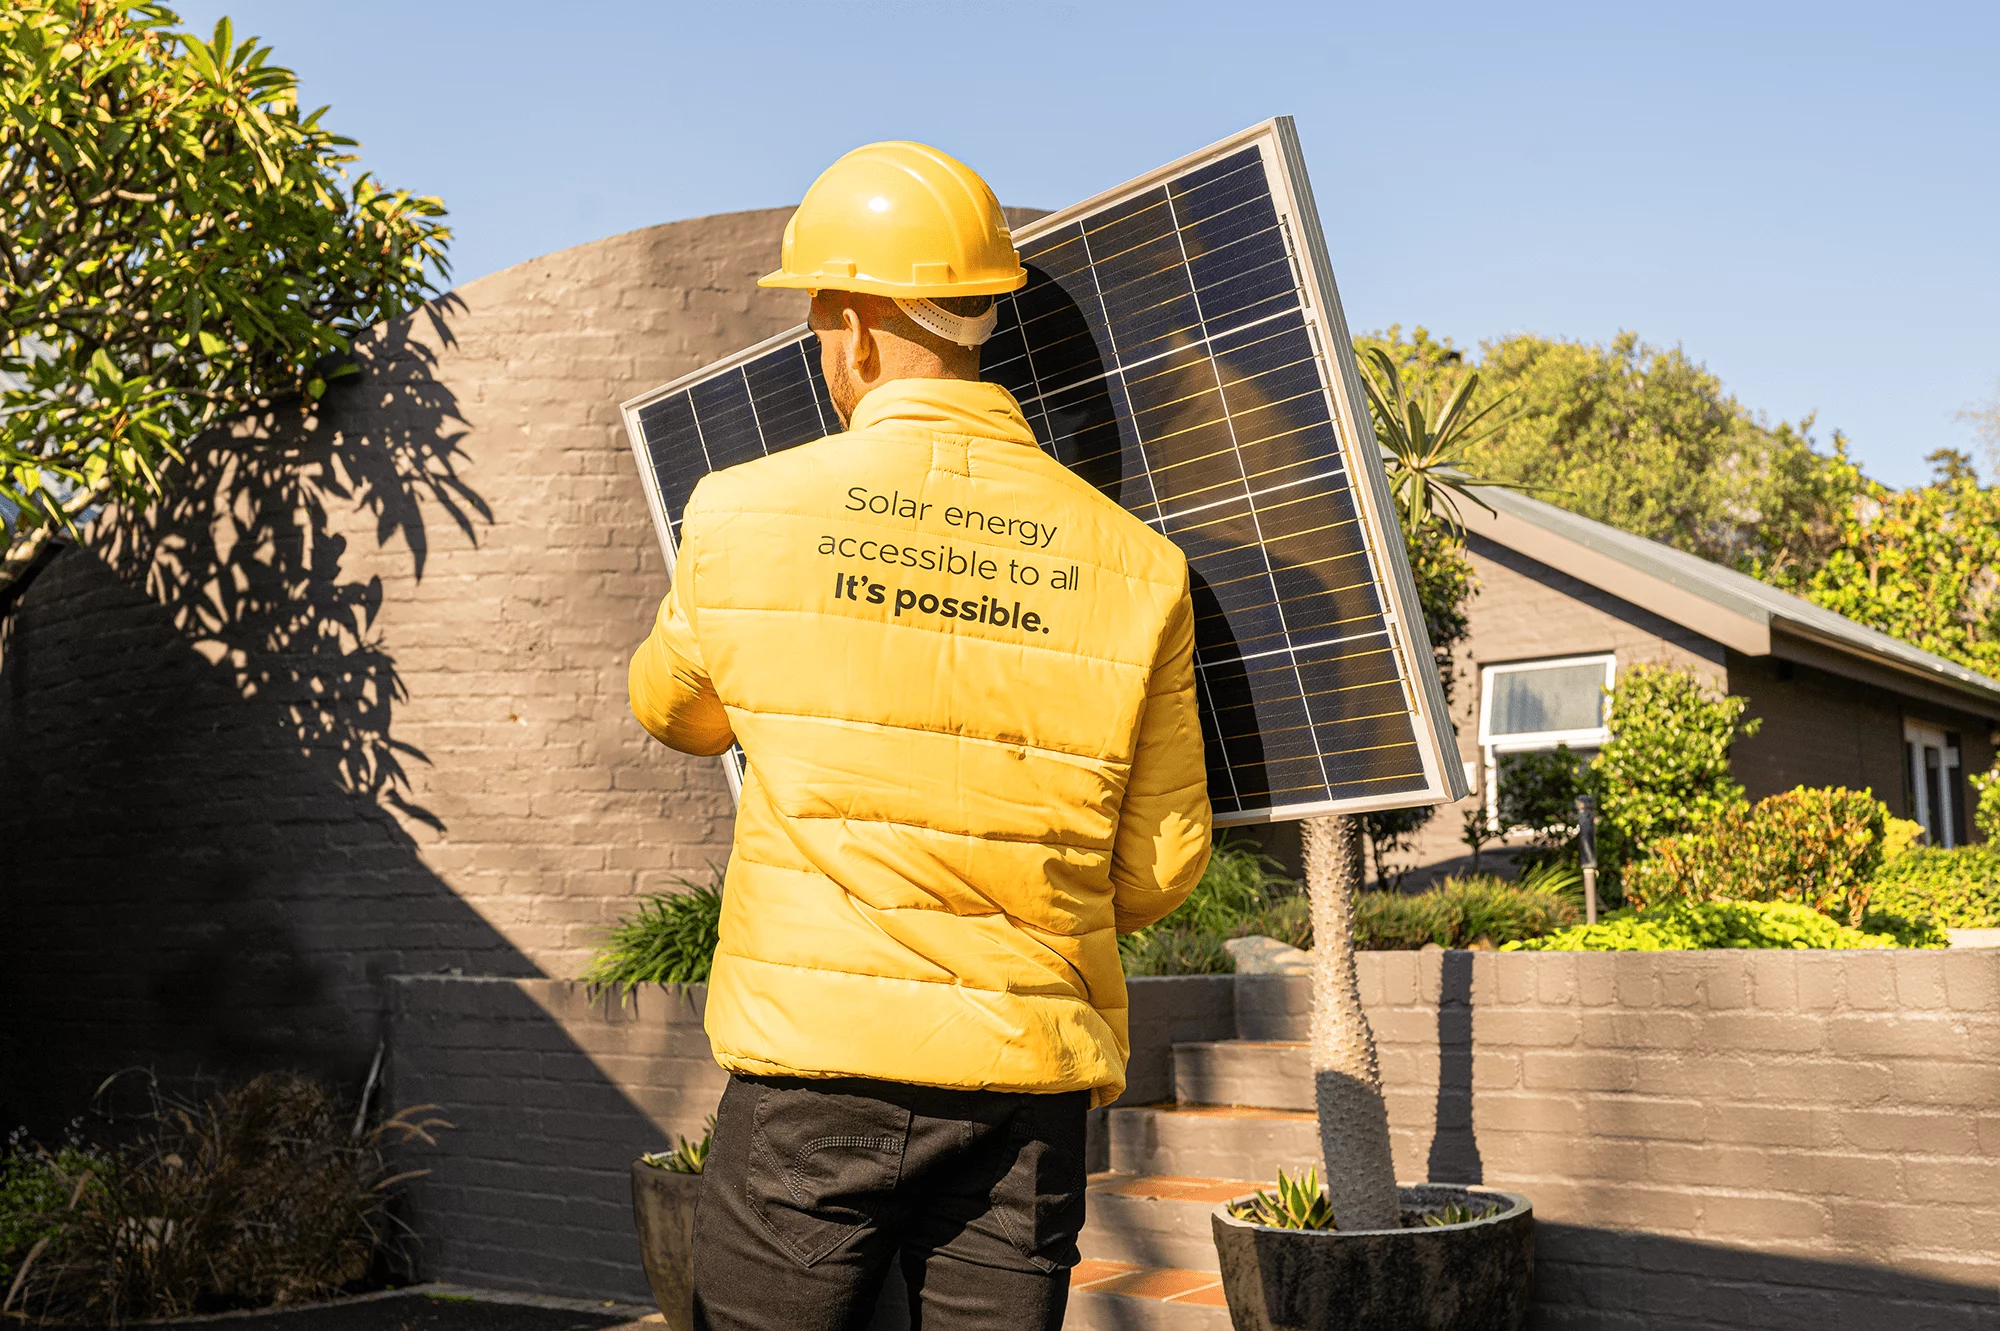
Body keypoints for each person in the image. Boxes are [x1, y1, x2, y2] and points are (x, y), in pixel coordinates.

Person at [628, 140, 1211, 1331]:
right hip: (1025, 1080)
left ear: (847, 324)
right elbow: (1158, 868)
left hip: (811, 1080)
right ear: (980, 313)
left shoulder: (741, 510)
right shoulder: (1140, 565)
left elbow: (674, 711)